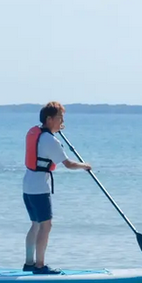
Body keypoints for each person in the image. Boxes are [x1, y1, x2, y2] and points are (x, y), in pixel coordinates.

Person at [22, 101, 91, 274]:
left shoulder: (35, 132)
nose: (62, 122)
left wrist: (55, 130)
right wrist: (84, 166)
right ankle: (39, 265)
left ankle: (29, 263)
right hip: (39, 187)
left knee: (35, 224)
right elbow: (68, 164)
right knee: (46, 226)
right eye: (60, 118)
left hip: (28, 184)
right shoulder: (50, 140)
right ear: (49, 119)